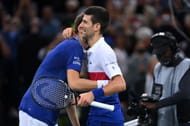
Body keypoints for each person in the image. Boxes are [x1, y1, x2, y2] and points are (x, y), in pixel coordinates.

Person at [18, 13, 110, 126]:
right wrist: (105, 84)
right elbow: (75, 84)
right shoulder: (74, 47)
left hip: (44, 117)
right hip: (36, 114)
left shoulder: (76, 51)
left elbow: (69, 99)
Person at [77, 6, 126, 126]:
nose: (81, 25)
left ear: (97, 27)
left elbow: (120, 83)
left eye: (85, 22)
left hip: (107, 118)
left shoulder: (103, 51)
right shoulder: (91, 50)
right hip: (97, 114)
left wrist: (93, 94)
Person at [141, 32, 190, 126]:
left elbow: (185, 93)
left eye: (164, 52)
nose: (162, 56)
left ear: (173, 48)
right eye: (159, 54)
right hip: (163, 120)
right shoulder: (158, 68)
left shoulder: (187, 65)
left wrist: (157, 105)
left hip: (183, 121)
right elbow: (156, 94)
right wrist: (147, 103)